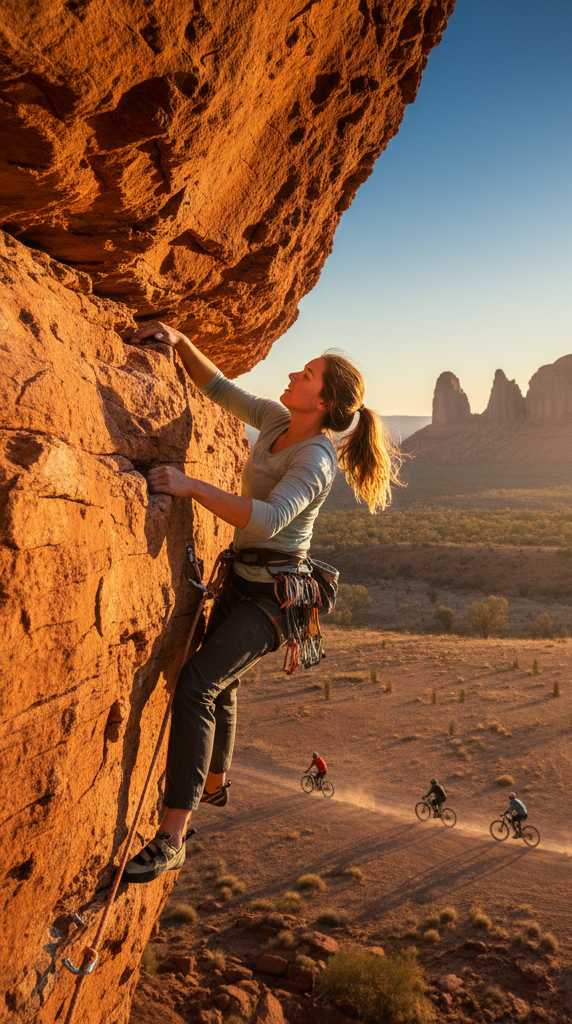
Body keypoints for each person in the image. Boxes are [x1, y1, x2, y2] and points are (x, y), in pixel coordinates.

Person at [123, 320, 401, 883]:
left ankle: (172, 836)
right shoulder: (278, 420)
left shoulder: (317, 460)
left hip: (274, 599)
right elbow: (221, 388)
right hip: (243, 581)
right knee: (221, 684)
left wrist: (191, 486)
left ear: (322, 401)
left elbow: (272, 519)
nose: (295, 373)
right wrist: (179, 341)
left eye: (308, 373)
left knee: (198, 682)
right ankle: (216, 780)